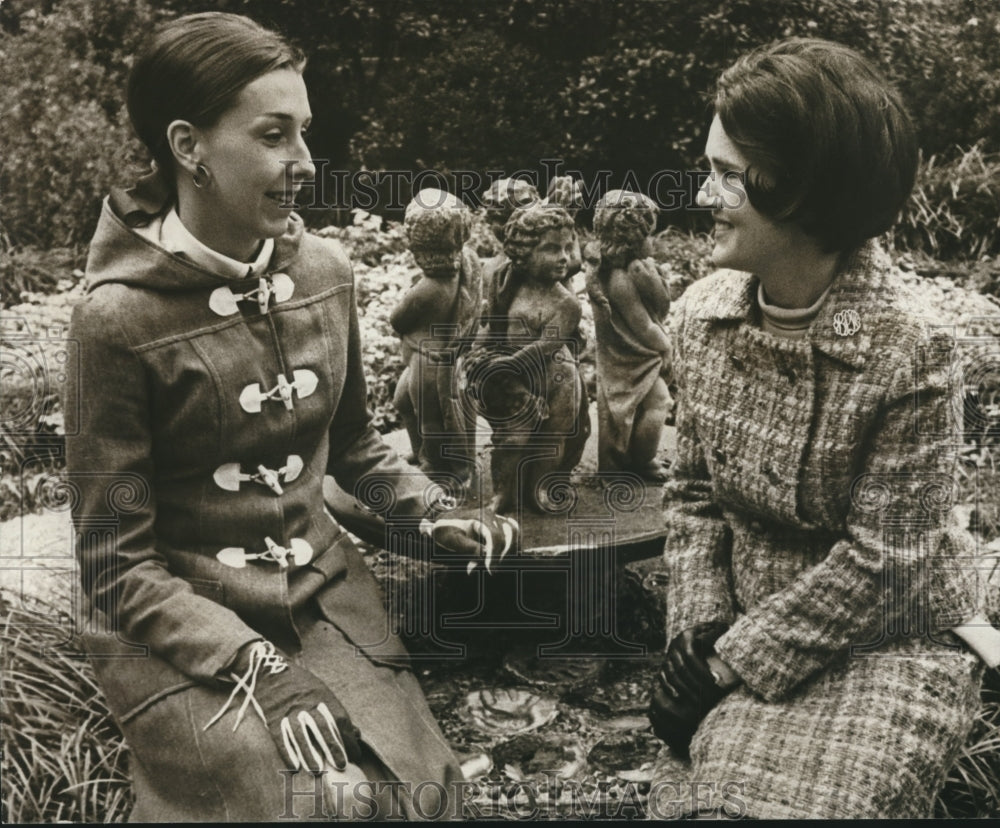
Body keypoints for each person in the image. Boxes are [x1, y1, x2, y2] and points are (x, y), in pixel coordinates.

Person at [64, 12, 514, 821]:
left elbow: (354, 447)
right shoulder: (115, 321)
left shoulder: (324, 273)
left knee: (420, 795)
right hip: (179, 629)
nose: (304, 163)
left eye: (304, 134)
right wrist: (256, 667)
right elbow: (114, 563)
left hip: (321, 596)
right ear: (188, 146)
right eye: (274, 136)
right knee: (307, 804)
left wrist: (435, 514)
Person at [649, 37, 998, 819]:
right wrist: (698, 634)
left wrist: (731, 664)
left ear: (799, 191)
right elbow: (696, 495)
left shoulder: (912, 351)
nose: (703, 194)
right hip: (740, 626)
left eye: (725, 176)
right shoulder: (701, 321)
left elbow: (889, 560)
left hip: (883, 642)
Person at [465, 204, 589, 514]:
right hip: (515, 379)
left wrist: (506, 364)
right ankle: (504, 493)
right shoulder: (505, 282)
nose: (563, 256)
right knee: (512, 438)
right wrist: (478, 357)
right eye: (551, 248)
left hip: (557, 379)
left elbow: (546, 345)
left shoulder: (566, 303)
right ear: (522, 252)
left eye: (567, 246)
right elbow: (493, 325)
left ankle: (541, 488)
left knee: (552, 438)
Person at [390, 188, 483, 485]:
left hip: (429, 362)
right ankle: (422, 454)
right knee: (404, 402)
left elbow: (397, 319)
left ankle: (437, 465)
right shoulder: (467, 264)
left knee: (431, 417)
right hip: (436, 358)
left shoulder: (428, 288)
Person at [588, 189, 671, 480]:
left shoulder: (631, 271)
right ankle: (642, 461)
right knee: (660, 403)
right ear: (631, 239)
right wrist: (667, 347)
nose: (653, 241)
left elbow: (657, 311)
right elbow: (644, 327)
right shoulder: (619, 280)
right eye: (648, 235)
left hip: (638, 355)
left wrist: (651, 279)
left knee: (648, 406)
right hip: (632, 360)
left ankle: (635, 457)